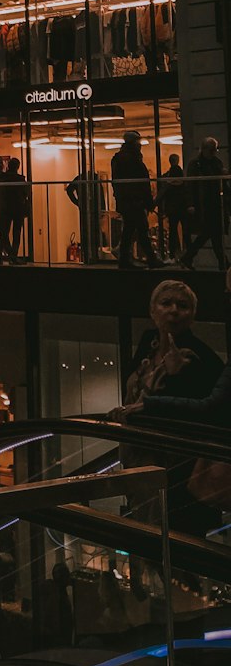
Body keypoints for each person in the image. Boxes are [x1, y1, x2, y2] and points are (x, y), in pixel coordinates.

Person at [114, 279, 223, 535]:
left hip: (178, 471)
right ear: (153, 311)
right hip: (139, 461)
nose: (174, 310)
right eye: (166, 303)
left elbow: (200, 412)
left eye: (182, 306)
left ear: (193, 316)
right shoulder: (148, 344)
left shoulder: (201, 357)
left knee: (177, 541)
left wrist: (176, 376)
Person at [110, 130, 161, 268]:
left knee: (130, 230)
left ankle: (126, 259)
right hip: (135, 201)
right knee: (141, 229)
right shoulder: (133, 158)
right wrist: (148, 201)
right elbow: (142, 182)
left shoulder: (119, 158)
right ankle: (150, 259)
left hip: (126, 201)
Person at [181, 137, 228, 270]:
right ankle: (223, 263)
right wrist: (190, 203)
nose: (213, 153)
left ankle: (189, 257)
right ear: (205, 149)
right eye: (211, 150)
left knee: (210, 234)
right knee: (212, 234)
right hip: (204, 204)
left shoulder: (215, 162)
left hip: (215, 203)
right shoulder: (196, 164)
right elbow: (190, 185)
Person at [65, 169, 105, 263]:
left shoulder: (80, 178)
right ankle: (93, 255)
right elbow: (101, 196)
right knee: (93, 231)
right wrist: (102, 210)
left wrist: (78, 202)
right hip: (94, 209)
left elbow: (69, 190)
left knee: (86, 230)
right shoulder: (95, 179)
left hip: (86, 209)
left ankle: (87, 254)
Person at [158, 154, 189, 259]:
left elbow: (163, 193)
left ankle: (172, 254)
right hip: (183, 207)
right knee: (186, 230)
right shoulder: (182, 175)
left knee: (173, 231)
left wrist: (157, 205)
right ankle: (188, 253)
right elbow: (186, 191)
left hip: (172, 208)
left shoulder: (167, 176)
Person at [2, 157, 30, 263]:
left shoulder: (3, 178)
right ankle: (13, 254)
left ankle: (10, 254)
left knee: (5, 233)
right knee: (16, 233)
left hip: (6, 208)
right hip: (18, 208)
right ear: (18, 167)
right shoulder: (20, 179)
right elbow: (26, 193)